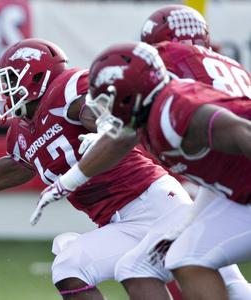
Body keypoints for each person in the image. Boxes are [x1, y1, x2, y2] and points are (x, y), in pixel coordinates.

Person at [0, 37, 233, 300]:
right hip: (120, 222)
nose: (5, 90)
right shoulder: (22, 134)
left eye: (11, 79)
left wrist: (101, 129)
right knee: (75, 266)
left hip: (156, 203)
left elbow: (102, 113)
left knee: (225, 286)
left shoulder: (65, 91)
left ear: (37, 76)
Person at [42, 41, 251, 300]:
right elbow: (118, 140)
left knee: (189, 257)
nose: (103, 107)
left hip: (242, 191)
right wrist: (67, 183)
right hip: (233, 190)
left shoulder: (173, 109)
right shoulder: (147, 115)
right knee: (146, 265)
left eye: (108, 97)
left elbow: (244, 132)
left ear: (131, 94)